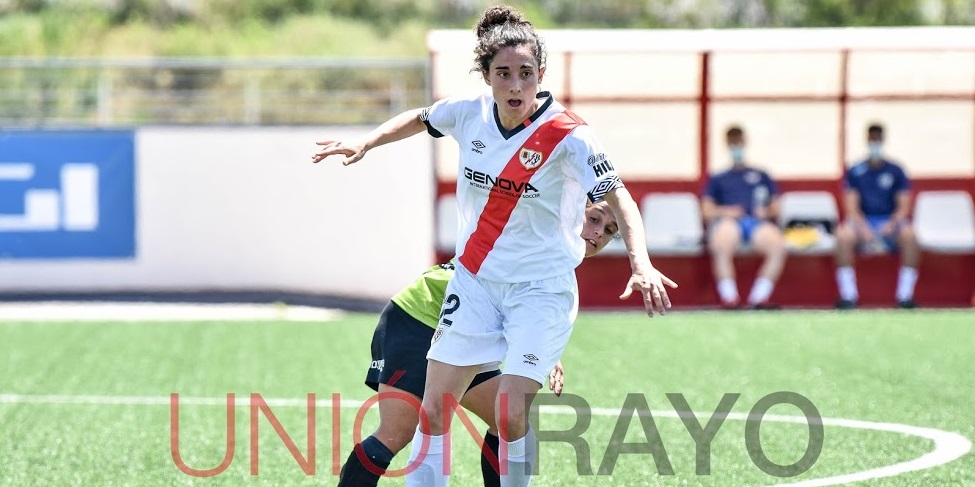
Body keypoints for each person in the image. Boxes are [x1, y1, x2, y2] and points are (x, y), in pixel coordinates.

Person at [313, 6, 676, 486]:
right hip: (476, 282)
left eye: (526, 74)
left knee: (508, 417)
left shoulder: (571, 137)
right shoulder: (467, 113)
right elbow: (420, 119)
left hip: (540, 290)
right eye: (503, 74)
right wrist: (367, 142)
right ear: (486, 76)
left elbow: (620, 197)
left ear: (540, 75)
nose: (515, 86)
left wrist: (641, 261)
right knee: (434, 413)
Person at [337, 200, 620, 487]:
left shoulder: (551, 257)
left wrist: (539, 347)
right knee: (396, 432)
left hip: (464, 330)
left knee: (508, 420)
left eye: (610, 230)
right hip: (418, 318)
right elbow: (492, 296)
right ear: (572, 211)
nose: (599, 233)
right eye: (594, 219)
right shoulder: (534, 237)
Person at [700, 125, 787, 310]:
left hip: (756, 222)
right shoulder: (718, 178)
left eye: (738, 141)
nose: (736, 146)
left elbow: (776, 207)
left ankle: (759, 298)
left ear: (745, 142)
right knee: (722, 241)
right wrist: (726, 211)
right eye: (732, 142)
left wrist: (765, 212)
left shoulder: (762, 175)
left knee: (778, 245)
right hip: (730, 221)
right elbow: (707, 210)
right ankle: (730, 298)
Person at [834, 123, 920, 309]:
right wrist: (863, 226)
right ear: (867, 140)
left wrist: (892, 223)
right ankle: (849, 296)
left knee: (910, 236)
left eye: (878, 139)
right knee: (842, 235)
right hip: (863, 222)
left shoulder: (896, 170)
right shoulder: (855, 171)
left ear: (883, 140)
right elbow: (851, 206)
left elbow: (904, 205)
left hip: (889, 221)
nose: (875, 143)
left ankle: (904, 297)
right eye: (872, 139)